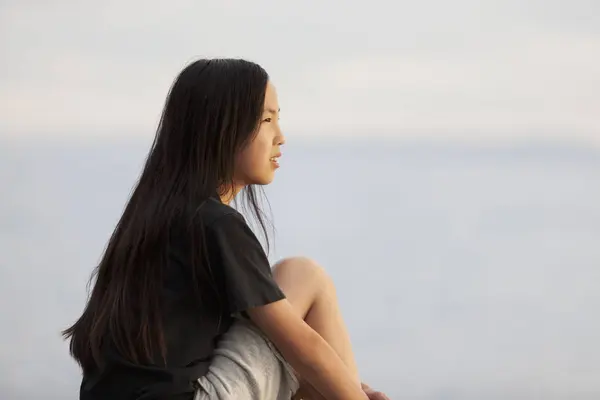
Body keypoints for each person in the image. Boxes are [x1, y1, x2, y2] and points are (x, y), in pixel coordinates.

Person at [63, 58, 389, 400]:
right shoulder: (216, 224)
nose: (281, 137)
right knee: (303, 274)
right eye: (266, 120)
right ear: (221, 129)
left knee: (318, 379)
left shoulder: (153, 219)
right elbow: (302, 345)